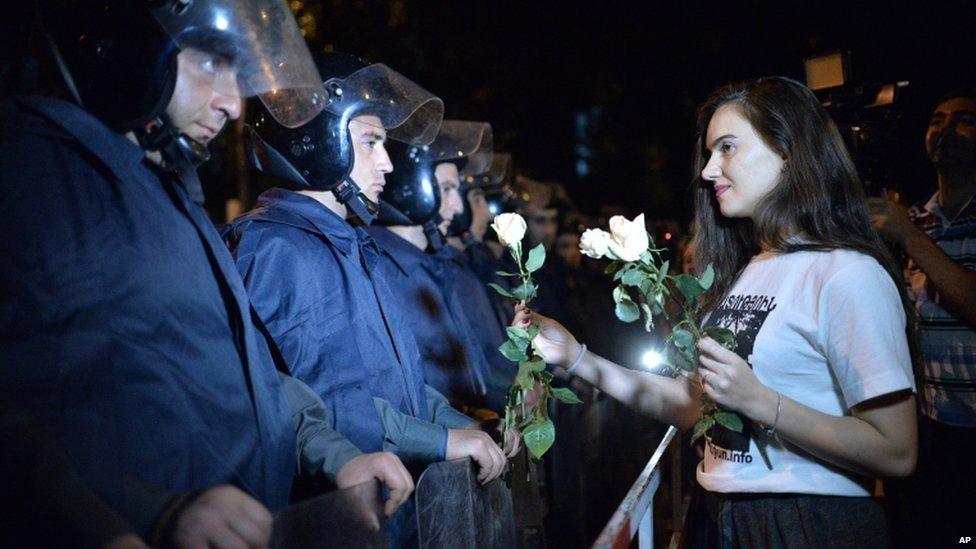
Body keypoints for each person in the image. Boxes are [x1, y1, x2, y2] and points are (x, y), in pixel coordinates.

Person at [0, 3, 412, 546]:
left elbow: (244, 371)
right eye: (211, 65)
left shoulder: (166, 193)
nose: (234, 105)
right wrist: (152, 512)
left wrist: (337, 457)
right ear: (128, 48)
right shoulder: (32, 174)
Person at [515, 76, 918, 548]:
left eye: (727, 148)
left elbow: (897, 451)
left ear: (788, 151)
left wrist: (762, 403)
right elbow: (694, 405)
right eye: (709, 154)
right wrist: (579, 357)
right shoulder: (749, 271)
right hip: (720, 516)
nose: (709, 171)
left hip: (805, 524)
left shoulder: (848, 274)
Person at [224, 53, 508, 546]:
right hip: (335, 521)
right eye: (371, 141)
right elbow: (326, 407)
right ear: (317, 143)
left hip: (386, 510)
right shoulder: (277, 250)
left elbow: (398, 383)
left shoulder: (346, 243)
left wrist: (462, 427)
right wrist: (442, 441)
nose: (388, 162)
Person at [869, 88, 976, 543]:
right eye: (936, 120)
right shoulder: (914, 218)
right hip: (932, 432)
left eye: (963, 120)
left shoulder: (910, 229)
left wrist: (909, 238)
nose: (945, 130)